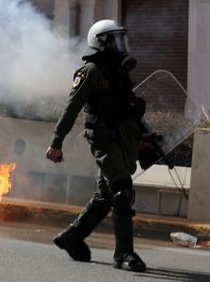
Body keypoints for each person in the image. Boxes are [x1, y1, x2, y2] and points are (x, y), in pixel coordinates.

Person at [46, 19, 148, 272]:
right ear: (101, 43)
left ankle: (72, 237)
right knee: (122, 191)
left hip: (124, 135)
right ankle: (124, 254)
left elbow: (129, 106)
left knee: (105, 196)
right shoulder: (90, 72)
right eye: (114, 40)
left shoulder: (120, 71)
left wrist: (146, 134)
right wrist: (56, 142)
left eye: (120, 39)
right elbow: (71, 108)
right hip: (105, 138)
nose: (119, 44)